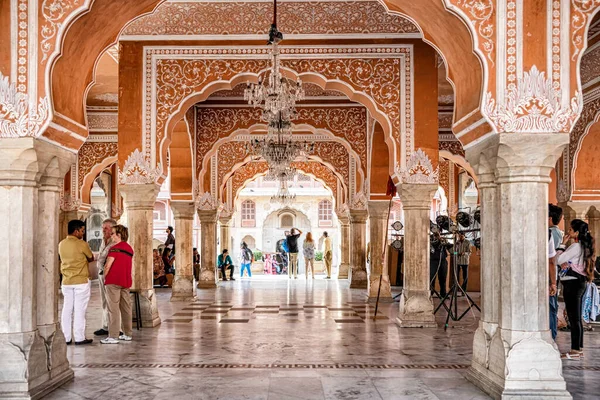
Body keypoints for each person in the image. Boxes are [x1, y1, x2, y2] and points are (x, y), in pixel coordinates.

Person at [556, 219, 596, 360]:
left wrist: (562, 244)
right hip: (579, 283)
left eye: (571, 230)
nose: (568, 232)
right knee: (576, 317)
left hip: (572, 283)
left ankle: (574, 350)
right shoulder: (584, 247)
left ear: (577, 232)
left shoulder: (575, 247)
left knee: (574, 318)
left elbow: (558, 260)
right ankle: (578, 349)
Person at [58, 220, 94, 345]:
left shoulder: (61, 244)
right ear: (76, 230)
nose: (83, 233)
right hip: (81, 281)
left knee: (66, 309)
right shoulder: (81, 244)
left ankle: (66, 338)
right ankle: (79, 338)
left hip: (66, 281)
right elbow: (91, 258)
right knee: (80, 310)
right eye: (82, 231)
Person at [100, 225, 134, 344]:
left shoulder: (114, 248)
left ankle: (113, 336)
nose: (111, 235)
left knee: (112, 308)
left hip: (113, 281)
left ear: (119, 235)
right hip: (125, 281)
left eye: (113, 233)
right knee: (126, 308)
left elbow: (108, 265)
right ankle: (127, 334)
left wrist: (104, 276)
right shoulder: (129, 248)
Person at [94, 218, 117, 336]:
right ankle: (105, 325)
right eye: (103, 228)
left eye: (106, 228)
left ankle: (115, 328)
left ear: (112, 229)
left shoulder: (115, 242)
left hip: (109, 274)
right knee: (104, 301)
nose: (103, 230)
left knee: (111, 301)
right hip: (101, 273)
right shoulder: (104, 241)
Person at [548, 204, 564, 341]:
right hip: (553, 272)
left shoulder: (550, 233)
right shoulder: (558, 233)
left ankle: (551, 334)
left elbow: (551, 260)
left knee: (550, 306)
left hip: (549, 273)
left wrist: (552, 283)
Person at [430, 231, 450, 298]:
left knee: (443, 278)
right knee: (432, 277)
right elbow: (433, 245)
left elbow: (449, 247)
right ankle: (431, 293)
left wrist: (443, 241)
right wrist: (438, 239)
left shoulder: (443, 239)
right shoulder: (431, 239)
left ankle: (443, 294)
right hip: (433, 261)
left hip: (443, 261)